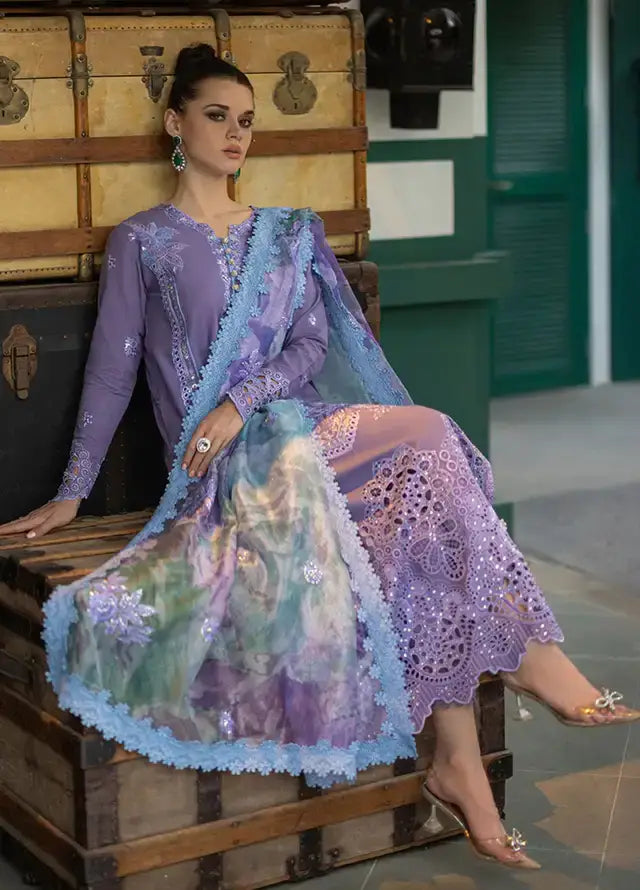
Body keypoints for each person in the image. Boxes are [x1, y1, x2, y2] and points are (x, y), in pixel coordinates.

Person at [1, 44, 637, 872]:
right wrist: (73, 492)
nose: (236, 134)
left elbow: (307, 346)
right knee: (428, 440)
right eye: (217, 116)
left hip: (297, 426)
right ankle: (518, 664)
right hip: (226, 470)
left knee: (418, 493)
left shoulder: (286, 234)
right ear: (175, 122)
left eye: (247, 121)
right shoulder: (144, 242)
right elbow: (113, 370)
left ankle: (459, 761)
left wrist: (243, 398)